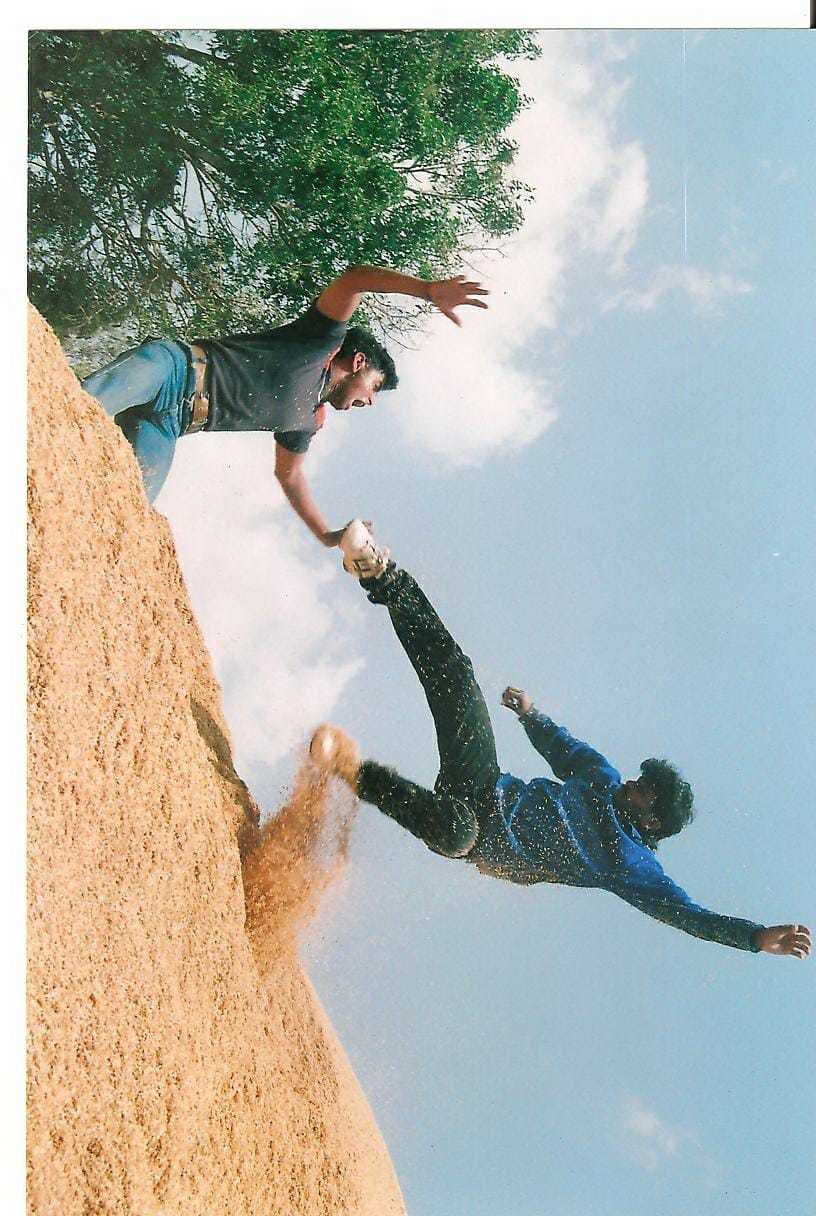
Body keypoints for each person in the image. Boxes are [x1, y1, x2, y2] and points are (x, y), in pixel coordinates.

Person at [310, 522, 811, 959]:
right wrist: (531, 715)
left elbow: (686, 915)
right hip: (483, 781)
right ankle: (381, 574)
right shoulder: (602, 777)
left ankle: (352, 769)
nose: (633, 782)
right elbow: (561, 746)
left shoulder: (632, 864)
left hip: (479, 837)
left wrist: (754, 937)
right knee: (458, 675)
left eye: (645, 790)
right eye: (641, 778)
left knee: (456, 832)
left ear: (652, 820)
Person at [80, 266, 488, 542]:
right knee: (78, 409)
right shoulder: (319, 342)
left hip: (167, 427)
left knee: (125, 515)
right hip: (171, 369)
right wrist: (428, 290)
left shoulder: (307, 422)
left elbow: (289, 476)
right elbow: (353, 280)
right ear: (358, 363)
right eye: (374, 388)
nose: (370, 401)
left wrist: (328, 536)